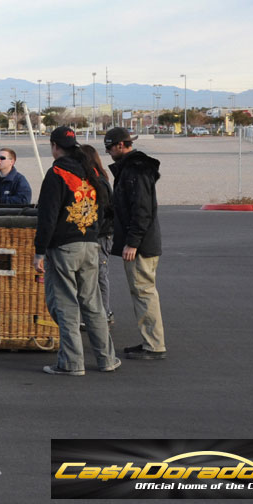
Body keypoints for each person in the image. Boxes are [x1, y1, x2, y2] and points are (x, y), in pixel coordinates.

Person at [32, 127, 120, 376]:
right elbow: (104, 207)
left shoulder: (57, 172)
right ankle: (107, 358)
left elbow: (47, 216)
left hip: (64, 246)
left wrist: (39, 251)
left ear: (54, 146)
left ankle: (71, 362)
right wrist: (92, 232)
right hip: (90, 244)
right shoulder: (92, 171)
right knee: (93, 304)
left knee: (64, 304)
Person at [104, 127, 167, 360]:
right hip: (142, 242)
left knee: (144, 292)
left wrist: (132, 243)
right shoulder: (133, 169)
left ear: (121, 145)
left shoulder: (135, 171)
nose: (108, 152)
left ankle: (153, 345)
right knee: (142, 291)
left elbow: (142, 210)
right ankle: (150, 341)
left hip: (141, 245)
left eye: (109, 147)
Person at [79, 144, 115, 326]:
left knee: (100, 273)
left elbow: (103, 212)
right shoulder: (92, 179)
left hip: (101, 234)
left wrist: (92, 232)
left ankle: (105, 312)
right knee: (91, 274)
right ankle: (95, 313)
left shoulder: (99, 181)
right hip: (97, 233)